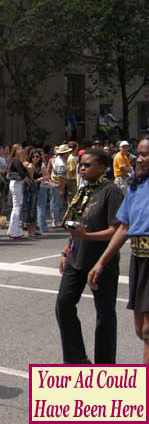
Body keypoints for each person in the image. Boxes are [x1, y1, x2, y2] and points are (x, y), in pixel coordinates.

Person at [55, 148, 123, 364]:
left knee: (104, 316)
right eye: (81, 165)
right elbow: (75, 226)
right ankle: (77, 359)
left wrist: (87, 235)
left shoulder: (111, 192)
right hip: (76, 260)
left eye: (88, 165)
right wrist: (67, 251)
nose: (82, 168)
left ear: (102, 168)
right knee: (63, 305)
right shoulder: (83, 191)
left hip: (101, 263)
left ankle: (105, 365)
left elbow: (116, 230)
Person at [89, 138, 149, 363]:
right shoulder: (136, 186)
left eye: (145, 155)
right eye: (139, 154)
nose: (140, 159)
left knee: (147, 332)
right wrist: (101, 262)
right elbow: (124, 227)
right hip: (139, 259)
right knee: (139, 329)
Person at [7, 145, 30, 239]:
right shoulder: (16, 160)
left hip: (16, 183)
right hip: (17, 183)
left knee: (16, 206)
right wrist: (27, 180)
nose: (21, 151)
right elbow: (21, 172)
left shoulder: (17, 160)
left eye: (22, 149)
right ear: (15, 151)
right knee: (17, 206)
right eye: (19, 149)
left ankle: (13, 229)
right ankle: (14, 231)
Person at [49, 144, 71, 226]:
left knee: (55, 202)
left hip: (55, 183)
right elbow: (60, 177)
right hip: (57, 185)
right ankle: (56, 220)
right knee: (57, 203)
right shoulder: (61, 163)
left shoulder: (57, 159)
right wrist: (62, 189)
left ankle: (56, 218)